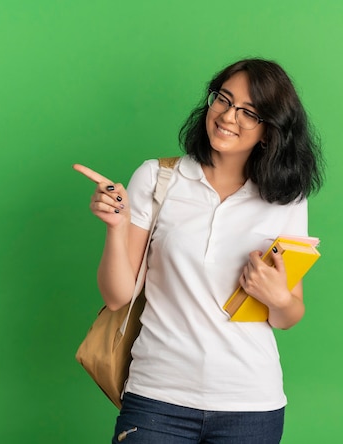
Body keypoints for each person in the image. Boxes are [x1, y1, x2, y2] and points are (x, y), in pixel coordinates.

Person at [74, 58, 324, 443]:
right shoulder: (159, 178)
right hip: (157, 398)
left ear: (270, 132)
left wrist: (277, 297)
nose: (228, 116)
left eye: (249, 112)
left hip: (251, 404)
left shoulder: (286, 200)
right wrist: (117, 228)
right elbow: (116, 295)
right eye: (223, 99)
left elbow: (288, 315)